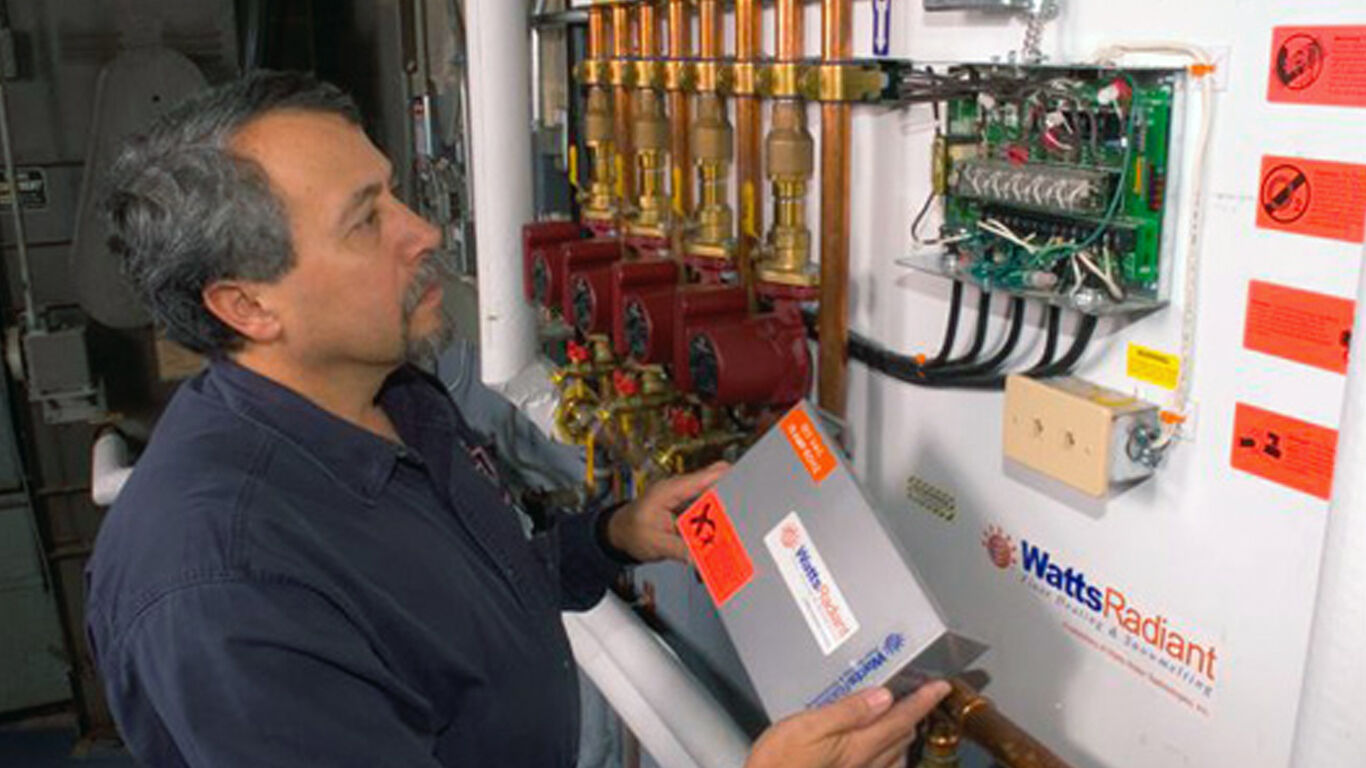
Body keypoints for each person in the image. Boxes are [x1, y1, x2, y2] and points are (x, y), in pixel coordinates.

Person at [85, 71, 949, 768]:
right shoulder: (224, 589)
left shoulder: (392, 398)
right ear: (247, 305)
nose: (422, 231)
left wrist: (612, 536)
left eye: (396, 194)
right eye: (366, 220)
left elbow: (462, 596)